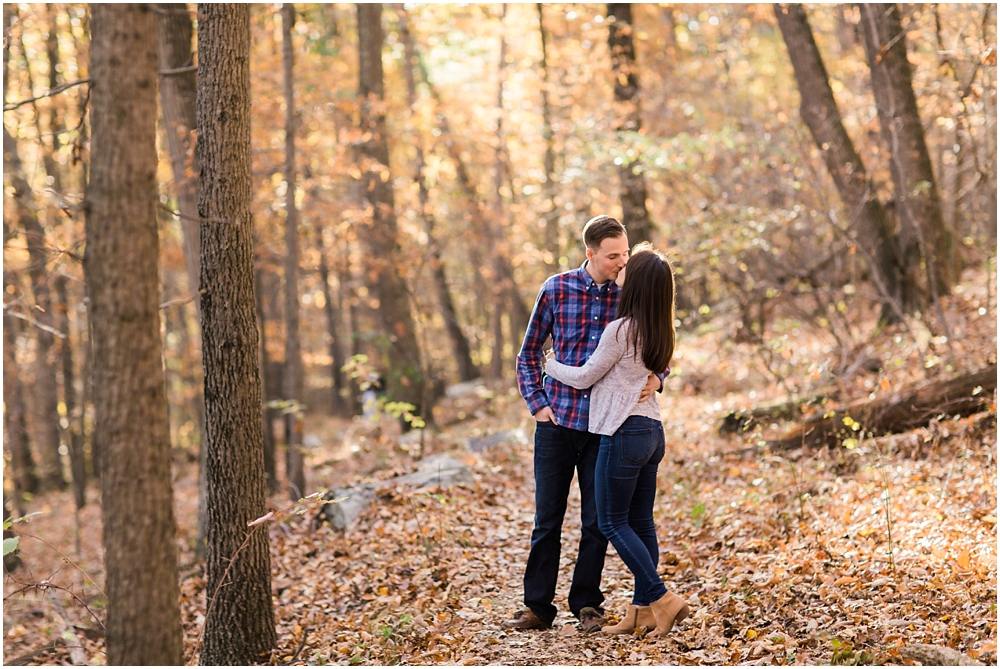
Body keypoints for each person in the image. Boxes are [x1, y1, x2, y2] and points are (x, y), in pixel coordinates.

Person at [505, 216, 661, 633]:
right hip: (556, 424)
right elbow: (528, 354)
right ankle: (537, 606)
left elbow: (658, 345)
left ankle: (588, 605)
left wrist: (659, 377)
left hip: (605, 427)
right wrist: (537, 404)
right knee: (547, 519)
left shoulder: (630, 296)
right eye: (613, 256)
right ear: (589, 253)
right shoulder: (556, 289)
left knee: (596, 521)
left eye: (625, 254)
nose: (620, 262)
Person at [544, 246, 689, 637]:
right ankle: (641, 611)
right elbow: (657, 371)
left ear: (638, 281)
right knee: (641, 522)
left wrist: (551, 365)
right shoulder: (661, 326)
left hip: (622, 432)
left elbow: (585, 376)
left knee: (611, 521)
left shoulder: (621, 328)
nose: (623, 265)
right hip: (651, 432)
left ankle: (662, 597)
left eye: (630, 264)